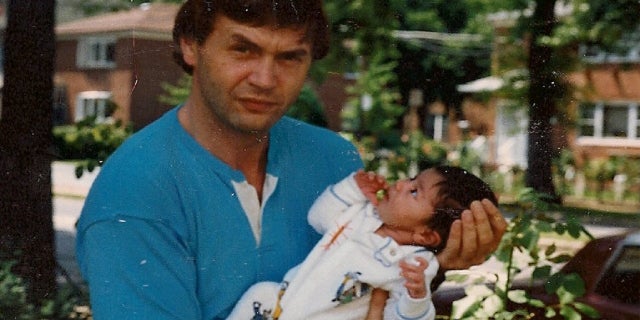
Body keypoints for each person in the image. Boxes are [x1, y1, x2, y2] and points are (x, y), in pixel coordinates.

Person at [75, 1, 508, 319]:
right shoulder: (133, 196)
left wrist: (440, 263)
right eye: (242, 49)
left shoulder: (334, 159)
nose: (265, 79)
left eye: (289, 57)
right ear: (191, 46)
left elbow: (370, 287)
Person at [227, 166, 498, 320]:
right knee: (261, 292)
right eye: (412, 179)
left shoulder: (415, 264)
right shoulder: (363, 213)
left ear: (426, 236)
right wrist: (351, 188)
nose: (402, 183)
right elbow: (318, 218)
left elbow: (397, 317)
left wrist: (417, 297)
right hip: (283, 304)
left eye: (415, 191)